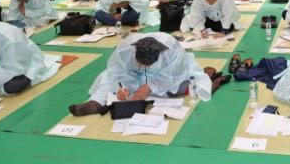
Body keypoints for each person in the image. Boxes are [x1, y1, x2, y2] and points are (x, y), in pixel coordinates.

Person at [68, 33, 228, 116]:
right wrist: (122, 87)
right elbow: (116, 70)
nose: (144, 66)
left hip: (165, 76)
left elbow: (175, 73)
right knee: (108, 78)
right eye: (140, 63)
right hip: (133, 76)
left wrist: (149, 86)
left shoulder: (171, 48)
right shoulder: (126, 48)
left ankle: (208, 75)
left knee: (180, 88)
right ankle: (96, 102)